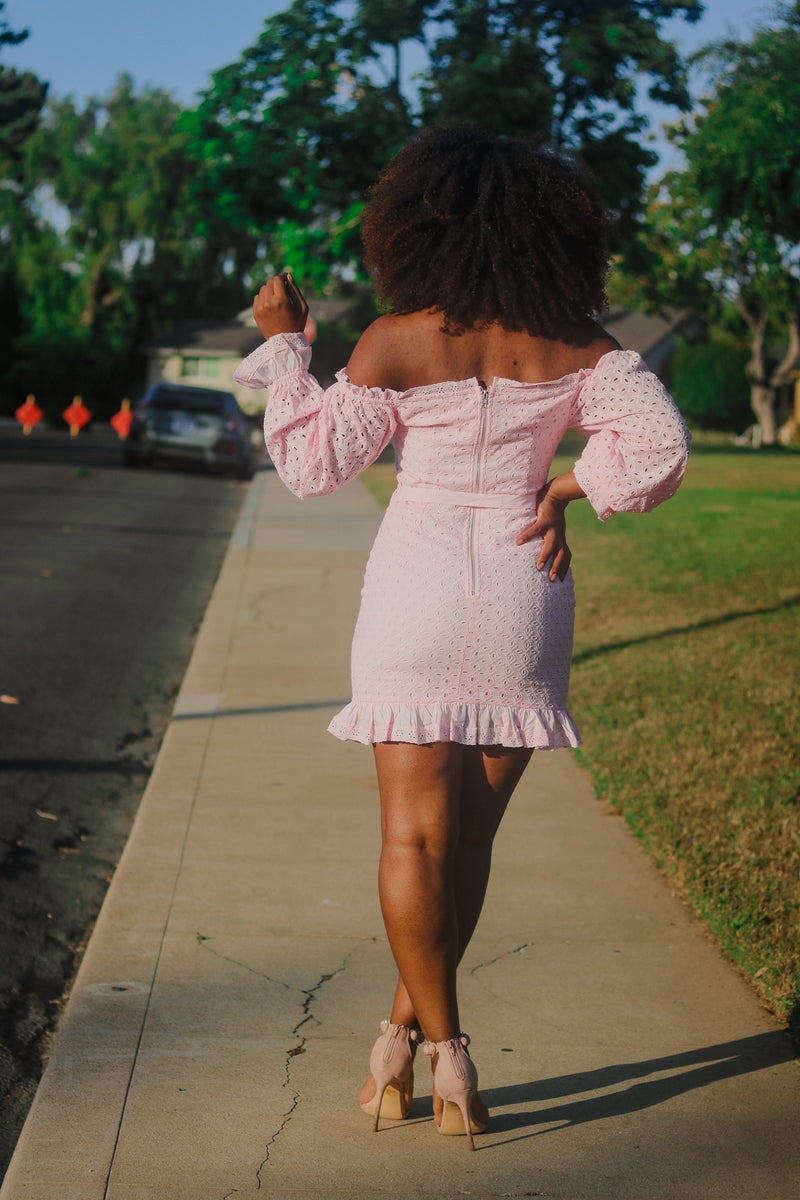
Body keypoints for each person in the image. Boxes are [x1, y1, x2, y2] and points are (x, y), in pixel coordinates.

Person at [234, 124, 690, 1150]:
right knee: (468, 841)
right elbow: (659, 448)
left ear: (416, 226)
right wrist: (570, 484)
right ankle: (402, 1044)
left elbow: (312, 466)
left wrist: (286, 347)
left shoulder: (395, 339)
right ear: (548, 232)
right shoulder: (579, 343)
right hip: (526, 588)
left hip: (417, 586)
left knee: (410, 839)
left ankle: (441, 1053)